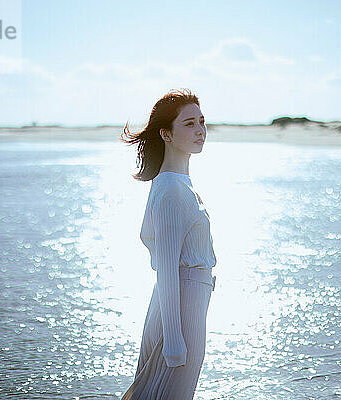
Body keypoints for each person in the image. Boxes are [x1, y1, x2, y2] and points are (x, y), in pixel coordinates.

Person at [118, 89, 217, 399]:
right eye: (188, 123)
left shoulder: (177, 182)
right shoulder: (172, 189)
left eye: (201, 121)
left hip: (185, 302)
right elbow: (167, 269)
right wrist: (174, 339)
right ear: (166, 134)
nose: (200, 130)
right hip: (181, 306)